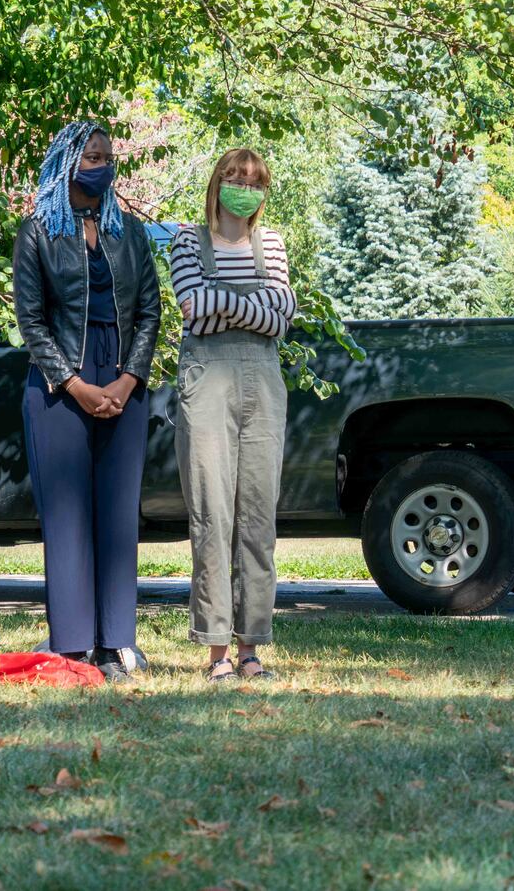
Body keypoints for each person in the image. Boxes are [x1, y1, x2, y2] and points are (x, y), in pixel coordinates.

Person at [14, 121, 161, 682]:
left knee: (119, 515)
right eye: (90, 155)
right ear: (66, 161)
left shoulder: (131, 233)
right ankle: (73, 647)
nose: (100, 165)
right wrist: (73, 382)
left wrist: (128, 380)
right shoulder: (37, 232)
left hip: (123, 379)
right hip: (58, 384)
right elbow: (30, 320)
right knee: (68, 516)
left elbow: (150, 311)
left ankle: (116, 644)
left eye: (106, 156)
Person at [167, 149, 298, 681]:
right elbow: (191, 304)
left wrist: (226, 304)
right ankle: (216, 650)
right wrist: (255, 308)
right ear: (217, 183)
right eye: (235, 177)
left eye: (255, 180)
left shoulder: (271, 242)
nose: (245, 186)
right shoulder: (185, 242)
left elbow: (285, 314)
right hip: (208, 384)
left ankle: (251, 649)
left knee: (257, 518)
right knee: (212, 516)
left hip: (263, 386)